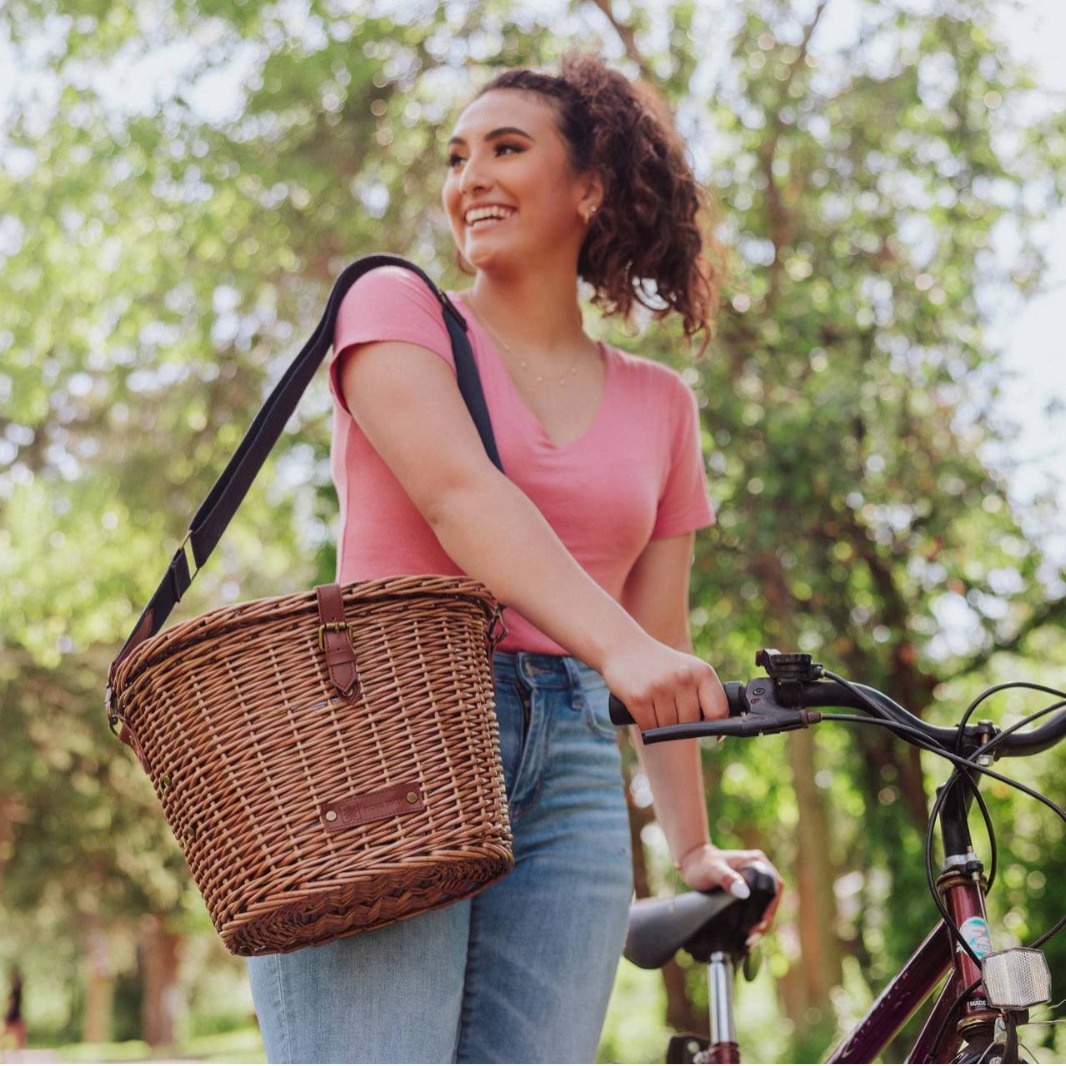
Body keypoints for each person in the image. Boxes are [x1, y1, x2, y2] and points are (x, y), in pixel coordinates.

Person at [247, 52, 781, 1064]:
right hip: (393, 734)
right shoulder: (397, 314)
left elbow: (660, 640)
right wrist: (622, 651)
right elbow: (460, 497)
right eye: (457, 157)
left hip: (576, 760)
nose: (470, 179)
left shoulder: (660, 406)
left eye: (506, 148)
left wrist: (690, 843)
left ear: (589, 187)